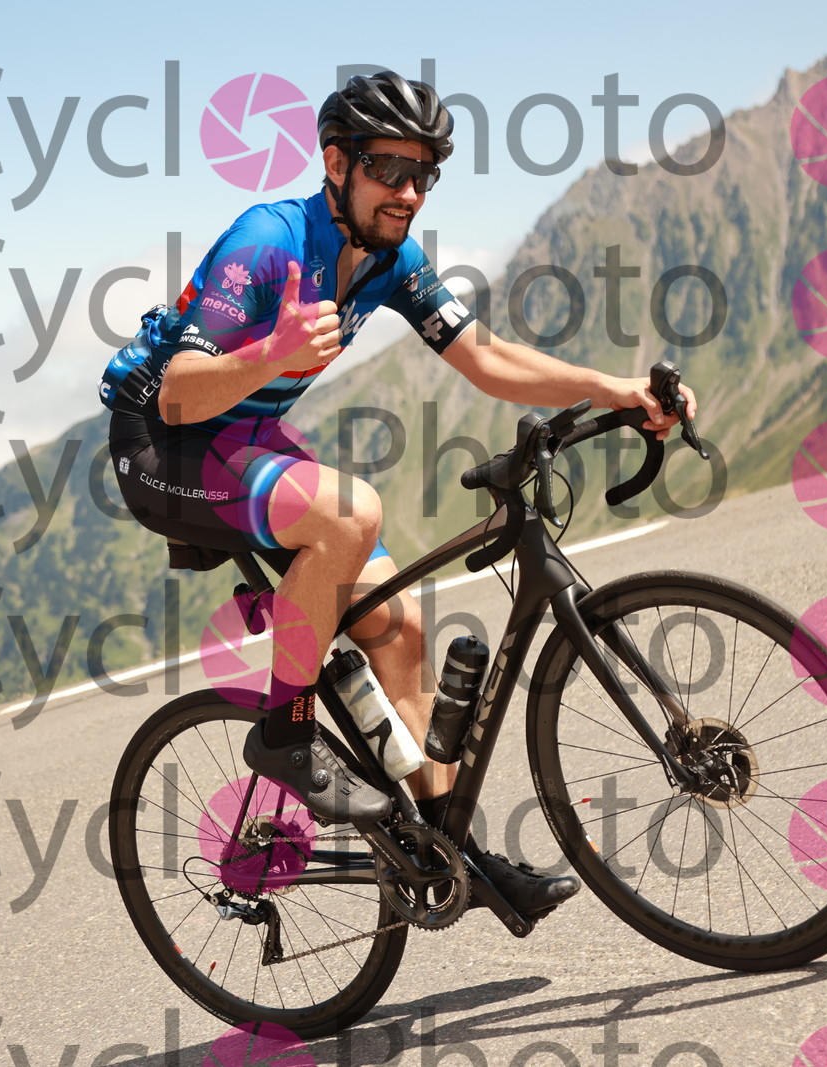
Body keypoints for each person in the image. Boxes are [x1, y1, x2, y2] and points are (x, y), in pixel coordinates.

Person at [101, 70, 696, 920]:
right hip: (165, 445)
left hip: (243, 437)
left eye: (424, 174)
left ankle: (457, 853)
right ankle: (286, 733)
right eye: (388, 169)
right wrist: (271, 355)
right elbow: (179, 394)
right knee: (351, 513)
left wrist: (616, 389)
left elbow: (484, 357)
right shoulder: (266, 242)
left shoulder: (389, 257)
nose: (409, 193)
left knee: (401, 623)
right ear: (335, 162)